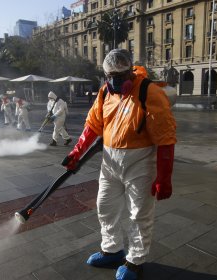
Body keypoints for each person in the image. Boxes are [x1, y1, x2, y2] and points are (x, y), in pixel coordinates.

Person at [61, 49, 177, 280]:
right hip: (110, 161)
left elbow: (165, 138)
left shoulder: (149, 93)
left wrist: (164, 178)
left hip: (140, 162)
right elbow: (93, 125)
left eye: (120, 76)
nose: (114, 81)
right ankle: (112, 249)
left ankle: (135, 261)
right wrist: (76, 152)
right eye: (109, 76)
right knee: (105, 207)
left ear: (130, 73)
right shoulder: (105, 93)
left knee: (139, 214)